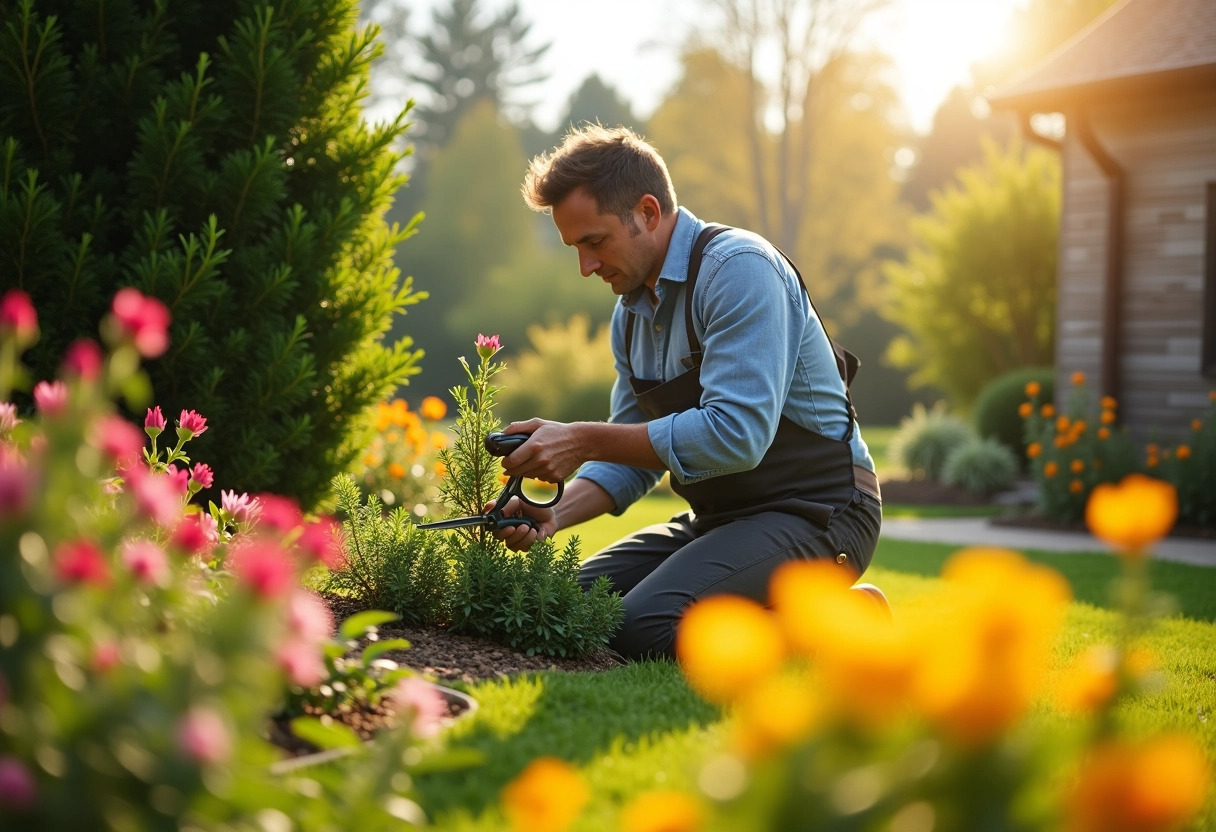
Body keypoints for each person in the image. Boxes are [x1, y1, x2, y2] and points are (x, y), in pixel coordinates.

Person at [490, 124, 883, 661]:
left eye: (594, 241)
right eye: (575, 248)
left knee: (642, 627)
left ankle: (844, 619)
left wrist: (580, 439)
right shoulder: (630, 315)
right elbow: (628, 460)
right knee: (568, 605)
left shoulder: (739, 270)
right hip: (719, 520)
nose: (586, 267)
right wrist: (555, 514)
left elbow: (736, 436)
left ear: (648, 212)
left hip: (821, 512)